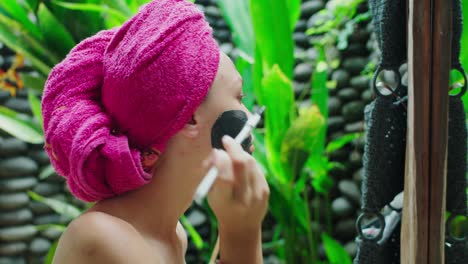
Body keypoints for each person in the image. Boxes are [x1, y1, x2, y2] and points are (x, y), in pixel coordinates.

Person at [41, 0, 269, 263]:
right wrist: (242, 236)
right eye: (238, 96)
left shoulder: (172, 235)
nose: (248, 114)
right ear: (190, 117)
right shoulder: (103, 238)